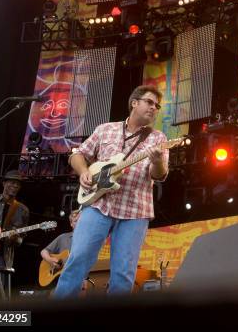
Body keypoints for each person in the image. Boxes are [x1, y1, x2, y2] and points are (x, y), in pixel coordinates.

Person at [54, 85, 169, 298]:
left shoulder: (159, 139)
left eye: (157, 106)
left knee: (124, 274)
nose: (154, 108)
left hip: (135, 211)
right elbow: (77, 155)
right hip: (98, 205)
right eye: (149, 102)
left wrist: (157, 161)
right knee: (77, 259)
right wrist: (84, 171)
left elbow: (159, 175)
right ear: (134, 103)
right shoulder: (105, 129)